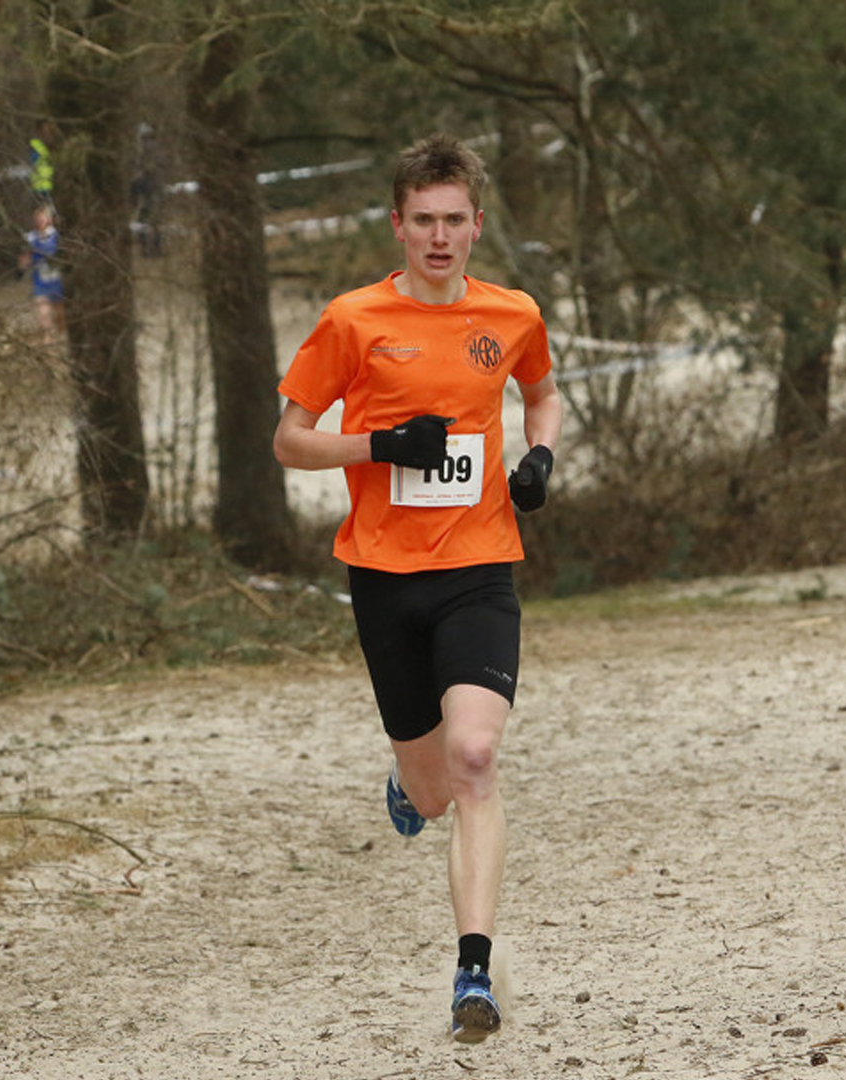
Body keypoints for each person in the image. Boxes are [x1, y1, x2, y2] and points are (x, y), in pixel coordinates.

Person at [273, 134, 562, 1043]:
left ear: (477, 225)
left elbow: (543, 392)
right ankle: (410, 788)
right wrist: (379, 447)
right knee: (434, 790)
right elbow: (290, 440)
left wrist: (539, 456)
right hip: (383, 576)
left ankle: (472, 973)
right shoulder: (354, 320)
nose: (439, 237)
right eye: (422, 221)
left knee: (476, 758)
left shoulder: (512, 313)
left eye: (454, 221)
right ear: (398, 226)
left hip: (479, 567)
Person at [19, 204, 64, 346]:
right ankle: (47, 338)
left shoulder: (57, 236)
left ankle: (62, 334)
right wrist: (23, 264)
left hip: (57, 279)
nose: (40, 221)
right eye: (37, 219)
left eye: (43, 218)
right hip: (40, 280)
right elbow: (24, 258)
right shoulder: (30, 238)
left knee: (60, 311)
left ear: (49, 220)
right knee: (42, 309)